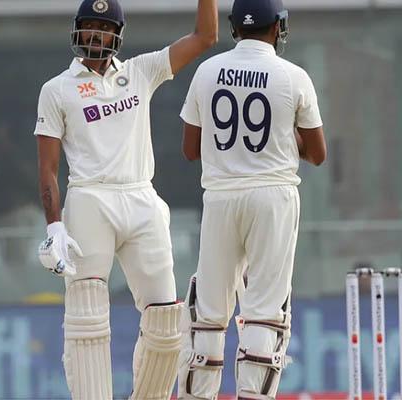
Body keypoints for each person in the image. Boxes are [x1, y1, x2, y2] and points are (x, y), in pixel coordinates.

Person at [32, 0, 218, 398]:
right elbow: (48, 167)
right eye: (88, 26)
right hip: (88, 199)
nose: (94, 34)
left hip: (140, 197)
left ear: (117, 34)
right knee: (86, 317)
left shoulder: (140, 72)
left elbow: (205, 37)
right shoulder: (56, 90)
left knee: (168, 322)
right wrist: (54, 225)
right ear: (77, 31)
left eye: (103, 27)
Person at [176, 0, 327, 397]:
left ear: (233, 27)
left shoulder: (207, 71)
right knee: (263, 312)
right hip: (273, 197)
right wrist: (283, 134)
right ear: (277, 27)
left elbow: (190, 149)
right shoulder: (293, 76)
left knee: (208, 313)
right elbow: (318, 153)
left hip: (222, 197)